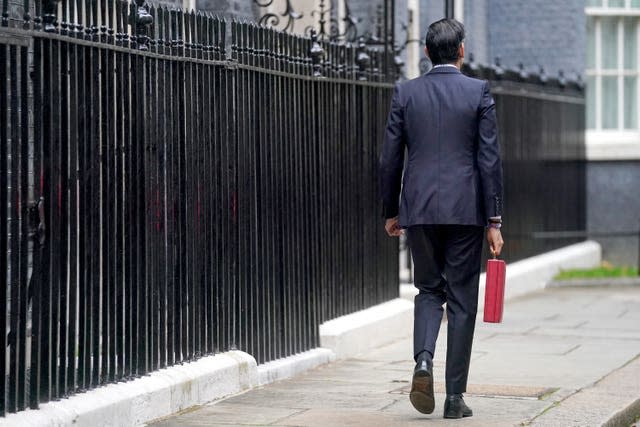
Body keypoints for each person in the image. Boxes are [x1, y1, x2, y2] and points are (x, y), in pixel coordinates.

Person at [379, 18, 504, 419]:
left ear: (428, 53)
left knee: (429, 291)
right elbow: (489, 159)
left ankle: (423, 362)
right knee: (463, 301)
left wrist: (392, 211)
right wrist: (495, 220)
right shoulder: (478, 92)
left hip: (419, 210)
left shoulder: (406, 92)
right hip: (466, 212)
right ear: (462, 50)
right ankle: (454, 398)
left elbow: (389, 158)